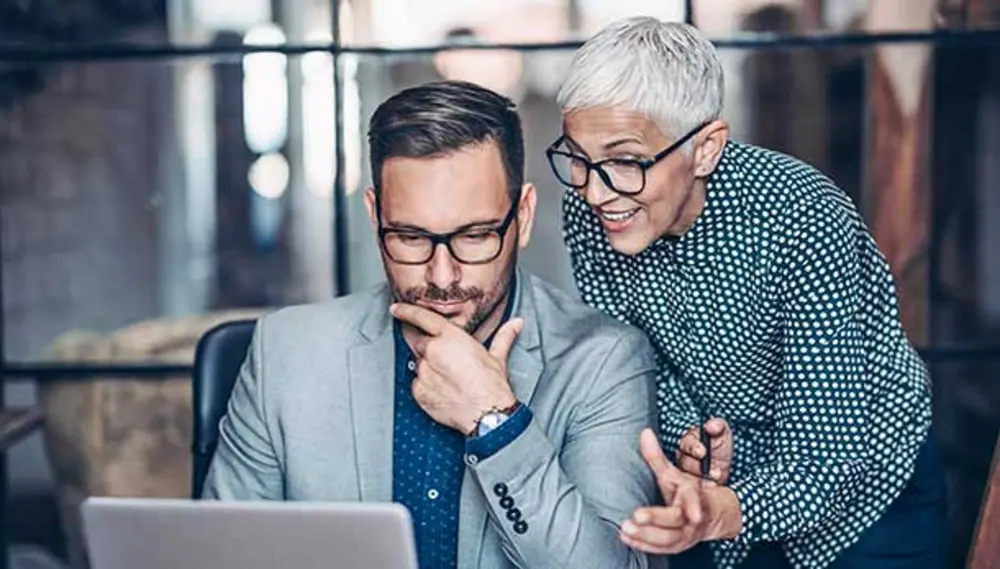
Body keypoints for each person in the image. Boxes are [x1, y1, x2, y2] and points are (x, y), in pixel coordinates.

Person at [203, 80, 664, 569]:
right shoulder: (285, 353)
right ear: (375, 214)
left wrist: (496, 423)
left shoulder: (604, 359)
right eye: (409, 237)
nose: (442, 277)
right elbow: (218, 558)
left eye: (476, 236)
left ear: (522, 217)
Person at [548, 17, 946, 569]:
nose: (593, 191)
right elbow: (634, 357)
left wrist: (724, 509)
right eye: (578, 158)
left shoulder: (804, 218)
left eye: (625, 161)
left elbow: (827, 456)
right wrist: (692, 436)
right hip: (718, 489)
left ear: (706, 148)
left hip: (867, 497)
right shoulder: (594, 212)